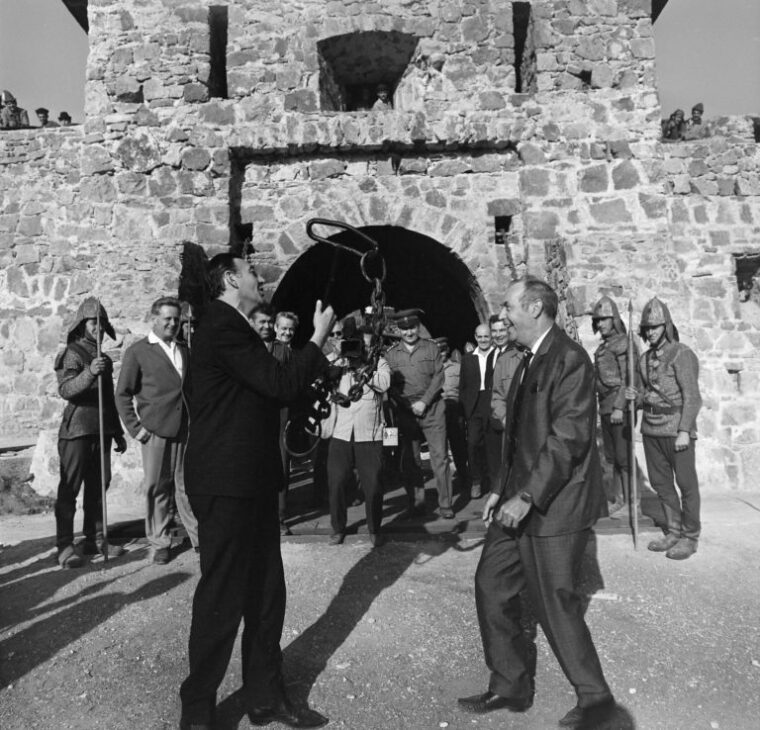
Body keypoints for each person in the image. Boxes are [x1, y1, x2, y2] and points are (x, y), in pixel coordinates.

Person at [179, 252, 333, 730]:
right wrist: (318, 336)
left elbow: (270, 391)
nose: (259, 277)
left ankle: (265, 697)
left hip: (252, 481)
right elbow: (279, 383)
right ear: (230, 279)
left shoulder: (237, 329)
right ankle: (198, 707)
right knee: (222, 596)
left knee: (266, 595)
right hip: (226, 484)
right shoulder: (221, 326)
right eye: (250, 271)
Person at [459, 277, 615, 730]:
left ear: (534, 308)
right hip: (516, 497)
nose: (502, 316)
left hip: (553, 504)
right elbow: (516, 437)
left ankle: (596, 701)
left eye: (508, 307)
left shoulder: (569, 359)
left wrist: (527, 496)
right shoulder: (525, 358)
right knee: (491, 583)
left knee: (555, 603)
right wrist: (500, 488)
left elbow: (568, 439)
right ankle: (510, 684)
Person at [115, 296, 197, 564]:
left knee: (187, 486)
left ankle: (198, 538)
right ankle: (160, 542)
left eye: (176, 319)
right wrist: (136, 429)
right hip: (155, 432)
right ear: (154, 319)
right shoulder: (138, 352)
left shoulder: (184, 350)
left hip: (185, 429)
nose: (173, 323)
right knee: (158, 488)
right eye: (167, 319)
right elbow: (122, 394)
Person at [626, 297, 702, 561]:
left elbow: (692, 397)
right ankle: (673, 531)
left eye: (655, 327)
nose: (650, 332)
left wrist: (684, 430)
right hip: (651, 430)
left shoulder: (682, 354)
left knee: (686, 485)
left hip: (676, 430)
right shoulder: (644, 359)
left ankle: (690, 537)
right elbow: (646, 394)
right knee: (661, 484)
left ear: (666, 326)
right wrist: (634, 396)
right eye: (647, 328)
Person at [54, 298, 127, 568]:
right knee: (70, 489)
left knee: (99, 486)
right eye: (93, 323)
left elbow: (108, 398)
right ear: (82, 325)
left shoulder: (104, 359)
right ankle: (64, 545)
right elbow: (66, 390)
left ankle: (95, 538)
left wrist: (117, 432)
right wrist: (89, 373)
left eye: (101, 323)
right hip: (76, 431)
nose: (98, 327)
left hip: (101, 431)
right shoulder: (71, 353)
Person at [385, 309, 453, 519]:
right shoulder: (391, 354)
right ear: (399, 330)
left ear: (418, 327)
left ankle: (445, 504)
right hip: (406, 412)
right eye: (404, 329)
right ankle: (417, 503)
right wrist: (407, 404)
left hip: (432, 408)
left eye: (412, 327)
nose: (409, 332)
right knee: (411, 460)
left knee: (440, 458)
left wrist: (424, 402)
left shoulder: (431, 348)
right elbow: (390, 385)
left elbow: (439, 377)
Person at [327, 336, 391, 547]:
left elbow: (384, 384)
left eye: (362, 345)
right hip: (341, 432)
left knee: (373, 485)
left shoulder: (379, 363)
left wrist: (364, 370)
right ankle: (338, 528)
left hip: (369, 434)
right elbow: (320, 377)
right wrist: (338, 358)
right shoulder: (338, 362)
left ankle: (374, 529)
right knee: (336, 482)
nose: (356, 350)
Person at [591, 296, 639, 519]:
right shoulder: (603, 347)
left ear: (615, 319)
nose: (600, 324)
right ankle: (620, 499)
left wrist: (620, 406)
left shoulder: (624, 343)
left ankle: (633, 503)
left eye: (604, 319)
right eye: (597, 320)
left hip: (620, 408)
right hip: (605, 407)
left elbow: (629, 378)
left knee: (624, 457)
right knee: (613, 458)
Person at [458, 324, 494, 499]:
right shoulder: (467, 359)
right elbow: (463, 385)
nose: (483, 340)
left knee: (492, 443)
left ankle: (494, 481)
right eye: (480, 337)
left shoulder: (498, 355)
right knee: (473, 444)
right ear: (475, 337)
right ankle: (476, 481)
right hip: (474, 406)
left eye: (486, 336)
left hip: (492, 403)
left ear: (491, 337)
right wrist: (465, 408)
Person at [272, 311, 299, 535]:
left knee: (282, 466)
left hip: (285, 416)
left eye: (291, 329)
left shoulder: (292, 352)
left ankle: (279, 516)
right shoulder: (272, 350)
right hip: (270, 414)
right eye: (283, 328)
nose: (287, 332)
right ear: (275, 327)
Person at [435, 336, 469, 494]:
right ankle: (445, 485)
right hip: (437, 413)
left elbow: (465, 389)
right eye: (438, 351)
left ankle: (464, 478)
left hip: (455, 412)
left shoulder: (457, 368)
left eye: (443, 350)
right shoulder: (429, 371)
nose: (441, 353)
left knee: (459, 447)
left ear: (447, 350)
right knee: (440, 451)